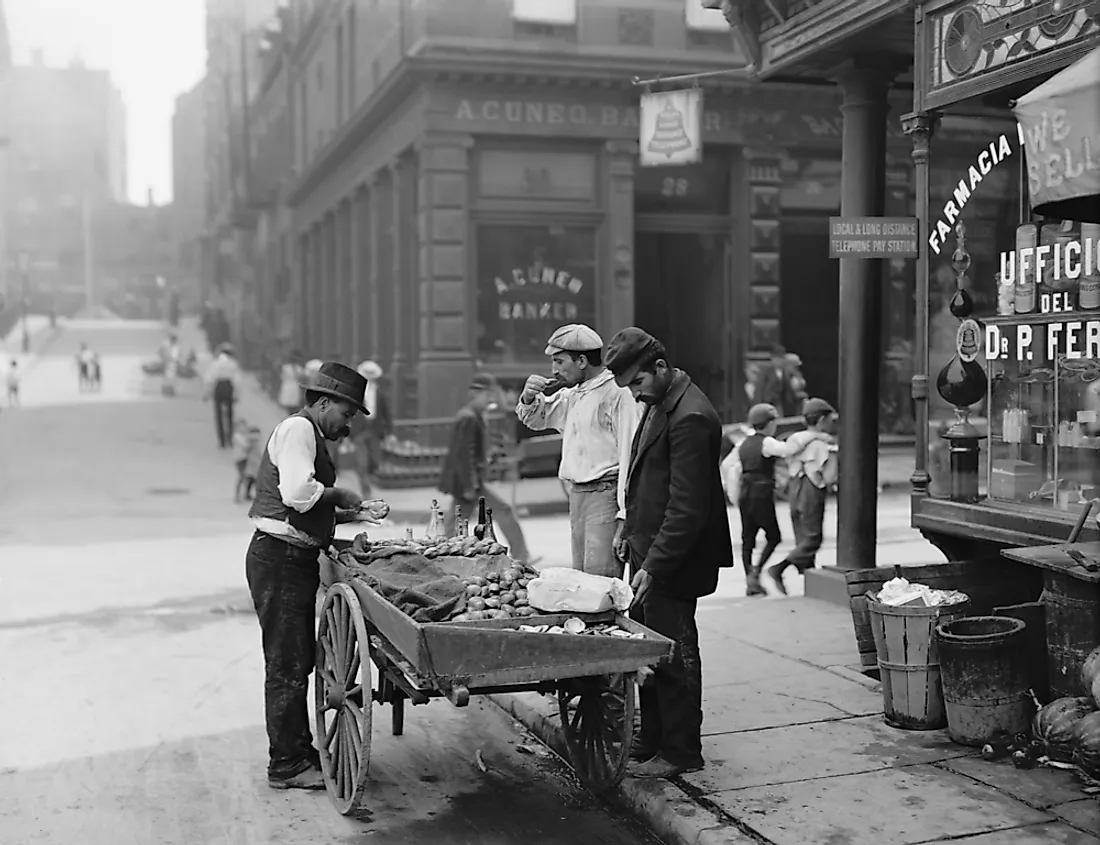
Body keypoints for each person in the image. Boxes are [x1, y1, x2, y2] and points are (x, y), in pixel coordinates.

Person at [245, 361, 384, 790]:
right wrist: (342, 494)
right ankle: (285, 764)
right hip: (280, 560)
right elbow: (297, 496)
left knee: (298, 659)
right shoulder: (298, 430)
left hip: (291, 557)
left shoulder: (310, 435)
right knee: (288, 664)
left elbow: (306, 510)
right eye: (345, 414)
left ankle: (297, 748)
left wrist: (351, 516)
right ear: (324, 403)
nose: (346, 426)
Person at [606, 328, 733, 779]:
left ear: (660, 368)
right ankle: (652, 736)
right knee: (648, 650)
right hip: (649, 548)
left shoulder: (691, 416)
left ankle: (680, 751)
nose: (636, 395)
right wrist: (628, 528)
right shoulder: (662, 401)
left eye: (638, 383)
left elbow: (686, 508)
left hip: (673, 559)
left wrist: (655, 566)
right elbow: (647, 477)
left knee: (674, 653)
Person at [516, 324, 640, 578]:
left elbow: (631, 454)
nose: (554, 369)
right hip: (578, 496)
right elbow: (537, 418)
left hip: (605, 494)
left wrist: (625, 514)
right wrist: (529, 397)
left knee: (600, 582)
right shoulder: (574, 395)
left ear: (582, 360)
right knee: (583, 580)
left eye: (560, 361)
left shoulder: (617, 394)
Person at [724, 403, 831, 597]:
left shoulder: (742, 444)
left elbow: (727, 465)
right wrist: (816, 435)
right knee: (773, 536)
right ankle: (759, 570)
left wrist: (734, 489)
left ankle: (750, 578)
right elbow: (789, 449)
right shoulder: (767, 443)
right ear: (771, 423)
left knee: (748, 538)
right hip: (762, 493)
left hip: (745, 493)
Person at [439, 373, 532, 563]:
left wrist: (487, 458)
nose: (490, 399)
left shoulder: (474, 416)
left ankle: (442, 554)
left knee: (456, 518)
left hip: (470, 479)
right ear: (475, 393)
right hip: (469, 480)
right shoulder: (468, 418)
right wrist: (469, 483)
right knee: (500, 511)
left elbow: (471, 451)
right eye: (486, 394)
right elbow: (463, 454)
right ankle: (521, 556)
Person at [766, 398, 839, 595]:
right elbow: (830, 476)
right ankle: (778, 568)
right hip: (811, 489)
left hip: (794, 489)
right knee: (813, 538)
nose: (832, 423)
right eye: (830, 419)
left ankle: (809, 582)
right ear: (822, 419)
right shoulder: (822, 444)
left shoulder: (795, 440)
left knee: (802, 539)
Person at [350, 360, 392, 498]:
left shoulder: (380, 392)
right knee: (361, 463)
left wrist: (390, 432)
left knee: (375, 461)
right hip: (360, 431)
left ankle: (370, 479)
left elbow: (386, 412)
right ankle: (366, 491)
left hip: (375, 430)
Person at [205, 342, 242, 449]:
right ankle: (229, 438)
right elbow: (237, 380)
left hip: (219, 386)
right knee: (229, 413)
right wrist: (237, 393)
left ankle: (221, 440)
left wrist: (207, 392)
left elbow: (209, 378)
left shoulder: (215, 363)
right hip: (228, 386)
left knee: (218, 414)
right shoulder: (233, 363)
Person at [751, 344, 801, 417]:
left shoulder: (785, 372)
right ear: (773, 359)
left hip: (782, 405)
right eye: (778, 359)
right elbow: (760, 389)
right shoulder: (766, 372)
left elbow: (789, 390)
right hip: (768, 404)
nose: (780, 361)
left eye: (782, 358)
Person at [277, 351, 304, 417]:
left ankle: (290, 412)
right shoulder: (299, 368)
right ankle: (292, 412)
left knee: (290, 401)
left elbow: (282, 376)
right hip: (294, 385)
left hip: (288, 384)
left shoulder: (285, 368)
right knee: (293, 401)